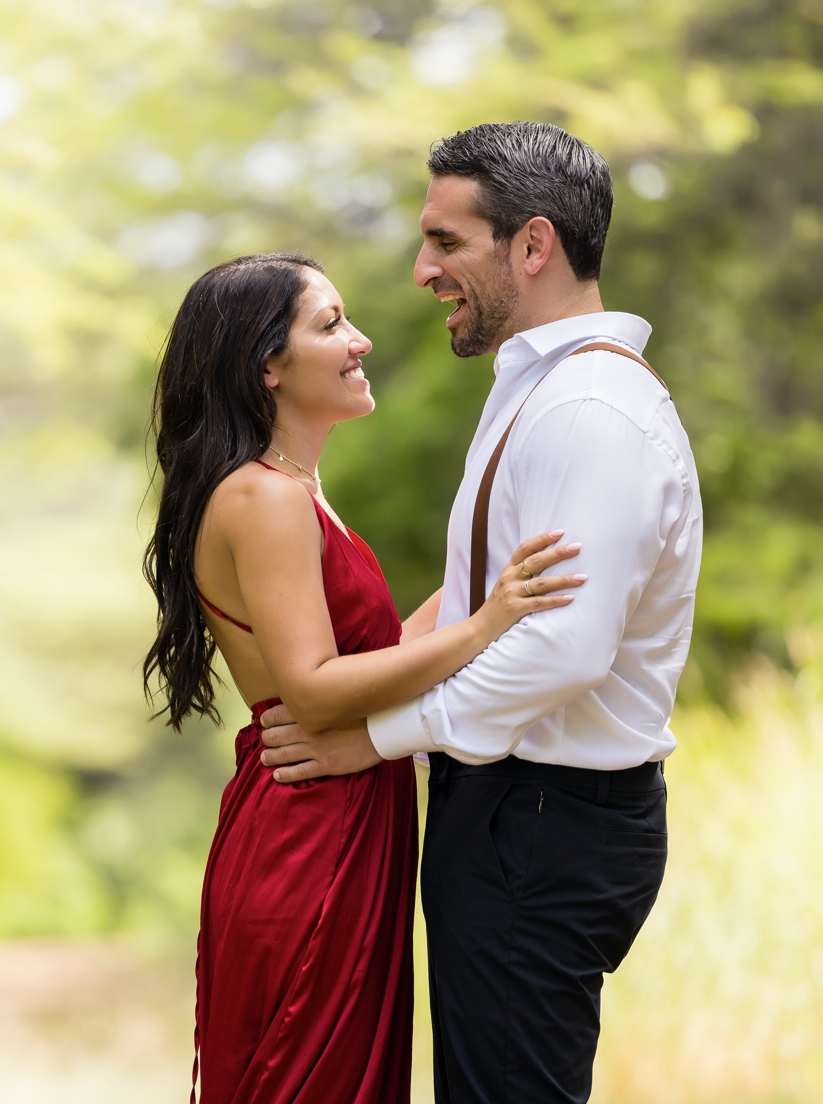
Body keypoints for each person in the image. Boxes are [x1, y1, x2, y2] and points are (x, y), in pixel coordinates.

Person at [256, 123, 699, 1104]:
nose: (422, 270)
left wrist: (372, 738)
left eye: (448, 243)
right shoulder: (538, 390)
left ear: (532, 246)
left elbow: (565, 650)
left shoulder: (591, 412)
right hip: (512, 812)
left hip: (543, 820)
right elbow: (476, 604)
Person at [143, 253, 589, 1103]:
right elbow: (312, 689)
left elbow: (376, 648)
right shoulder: (265, 499)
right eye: (331, 324)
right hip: (311, 830)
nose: (362, 339)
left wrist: (484, 587)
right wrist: (488, 622)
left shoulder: (296, 492)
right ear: (267, 367)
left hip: (345, 819)